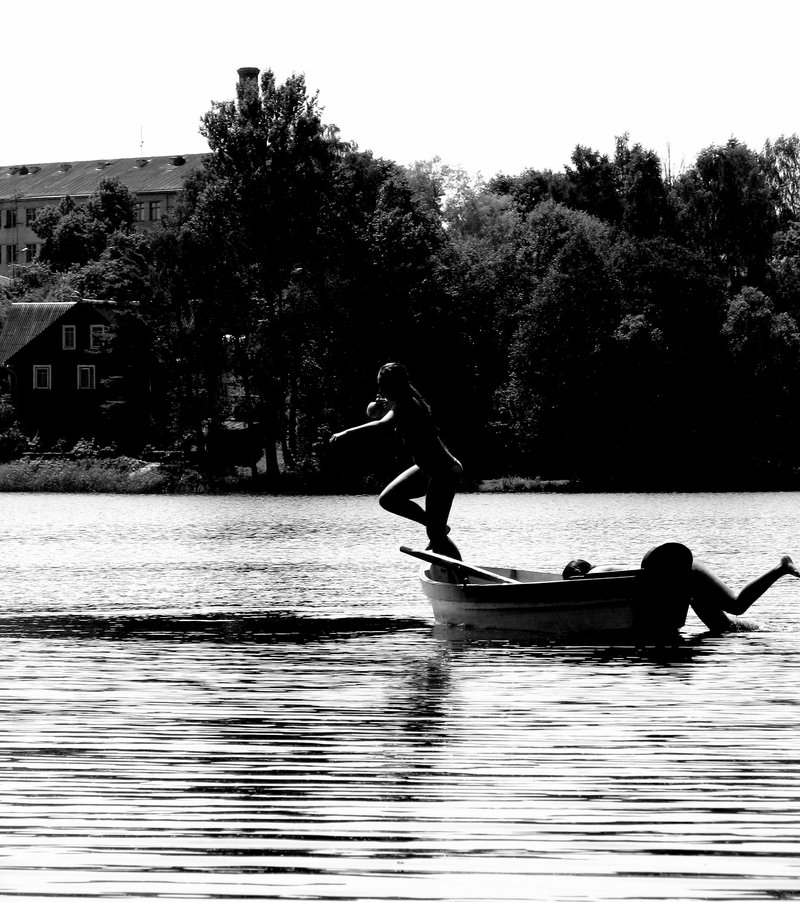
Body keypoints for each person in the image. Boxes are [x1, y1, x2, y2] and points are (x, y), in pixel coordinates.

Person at [330, 362, 463, 558]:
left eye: (382, 385)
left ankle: (459, 573)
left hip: (444, 471)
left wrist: (346, 433)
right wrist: (379, 407)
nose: (380, 390)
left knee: (436, 535)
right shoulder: (401, 403)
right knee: (389, 499)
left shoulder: (407, 404)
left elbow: (382, 425)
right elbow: (374, 413)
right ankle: (436, 527)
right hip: (427, 469)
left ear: (394, 385)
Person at [563, 543, 800, 634]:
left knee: (736, 605)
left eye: (572, 578)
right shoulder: (600, 574)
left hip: (686, 571)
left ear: (580, 571)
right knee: (724, 627)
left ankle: (781, 567)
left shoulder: (594, 573)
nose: (573, 584)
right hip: (676, 579)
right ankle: (770, 629)